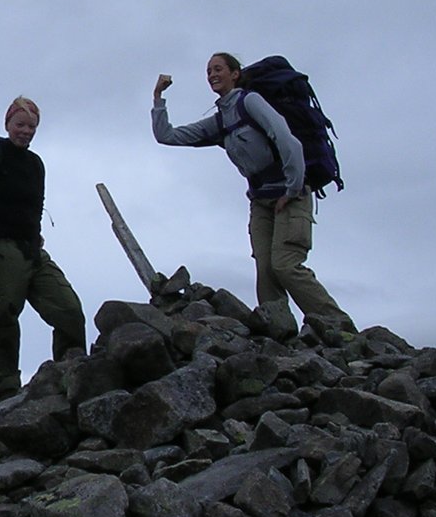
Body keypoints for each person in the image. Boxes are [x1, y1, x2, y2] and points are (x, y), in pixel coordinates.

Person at [151, 54, 352, 330]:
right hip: (260, 201)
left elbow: (288, 141)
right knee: (266, 272)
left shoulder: (250, 102)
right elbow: (167, 136)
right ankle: (280, 334)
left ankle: (339, 328)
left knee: (285, 266)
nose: (212, 75)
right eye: (208, 71)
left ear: (235, 74)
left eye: (218, 69)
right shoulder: (220, 121)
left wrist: (293, 188)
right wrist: (158, 98)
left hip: (291, 196)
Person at [0, 97, 87, 398]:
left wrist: (36, 235)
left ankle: (72, 373)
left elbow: (36, 205)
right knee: (3, 314)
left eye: (32, 126)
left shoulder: (36, 164)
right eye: (20, 124)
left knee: (69, 310)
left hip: (33, 248)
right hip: (0, 246)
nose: (25, 131)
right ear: (7, 123)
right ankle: (7, 386)